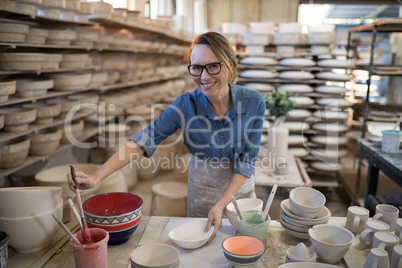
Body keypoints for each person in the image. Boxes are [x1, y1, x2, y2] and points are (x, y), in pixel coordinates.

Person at [67, 31, 266, 242]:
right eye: (196, 68)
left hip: (240, 197)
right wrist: (96, 176)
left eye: (213, 66)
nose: (204, 77)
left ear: (231, 65)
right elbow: (144, 140)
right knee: (204, 253)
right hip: (202, 194)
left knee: (244, 248)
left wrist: (221, 204)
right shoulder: (185, 104)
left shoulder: (254, 102)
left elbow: (246, 161)